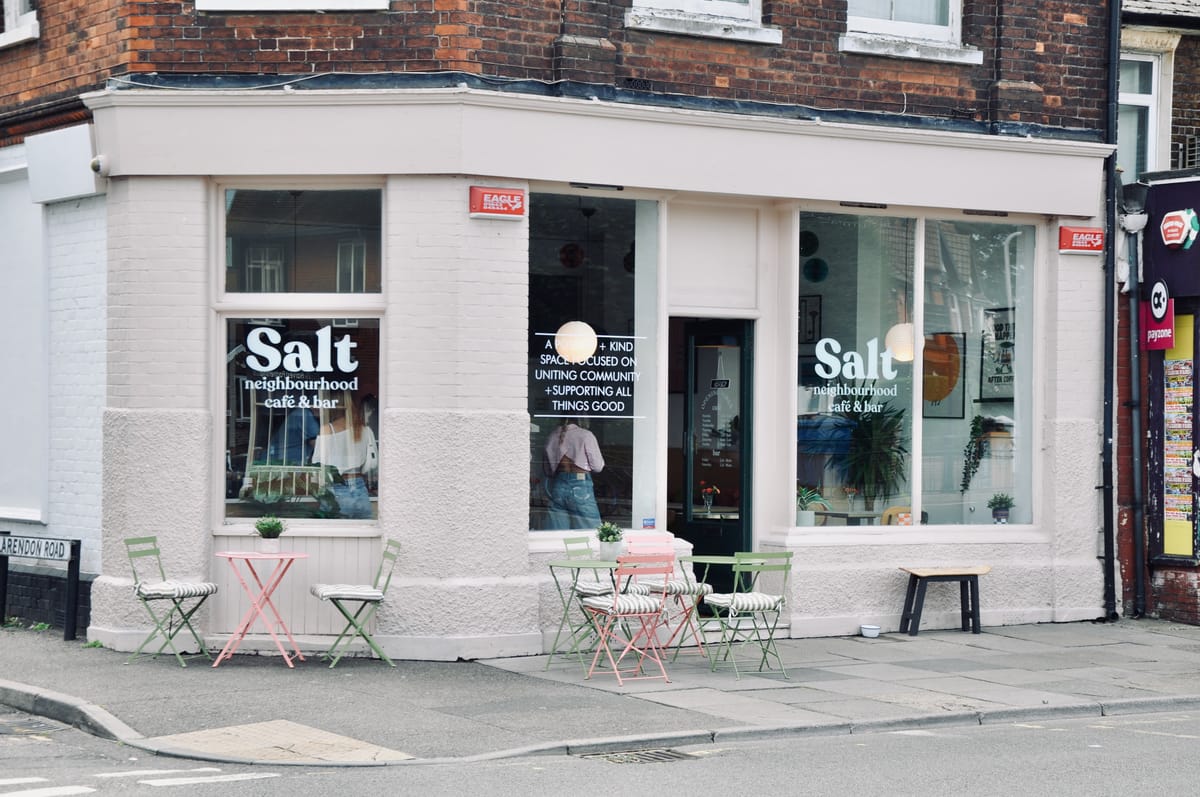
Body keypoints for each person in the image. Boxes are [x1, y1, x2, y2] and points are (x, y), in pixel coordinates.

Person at [312, 393, 378, 519]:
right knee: (363, 529)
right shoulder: (364, 429)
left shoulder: (327, 429)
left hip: (336, 488)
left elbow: (318, 465)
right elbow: (371, 462)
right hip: (360, 488)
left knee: (334, 530)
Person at [543, 419, 605, 529]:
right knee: (589, 532)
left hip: (559, 484)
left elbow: (547, 471)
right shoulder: (586, 435)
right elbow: (598, 467)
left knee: (556, 534)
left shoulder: (552, 436)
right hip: (581, 484)